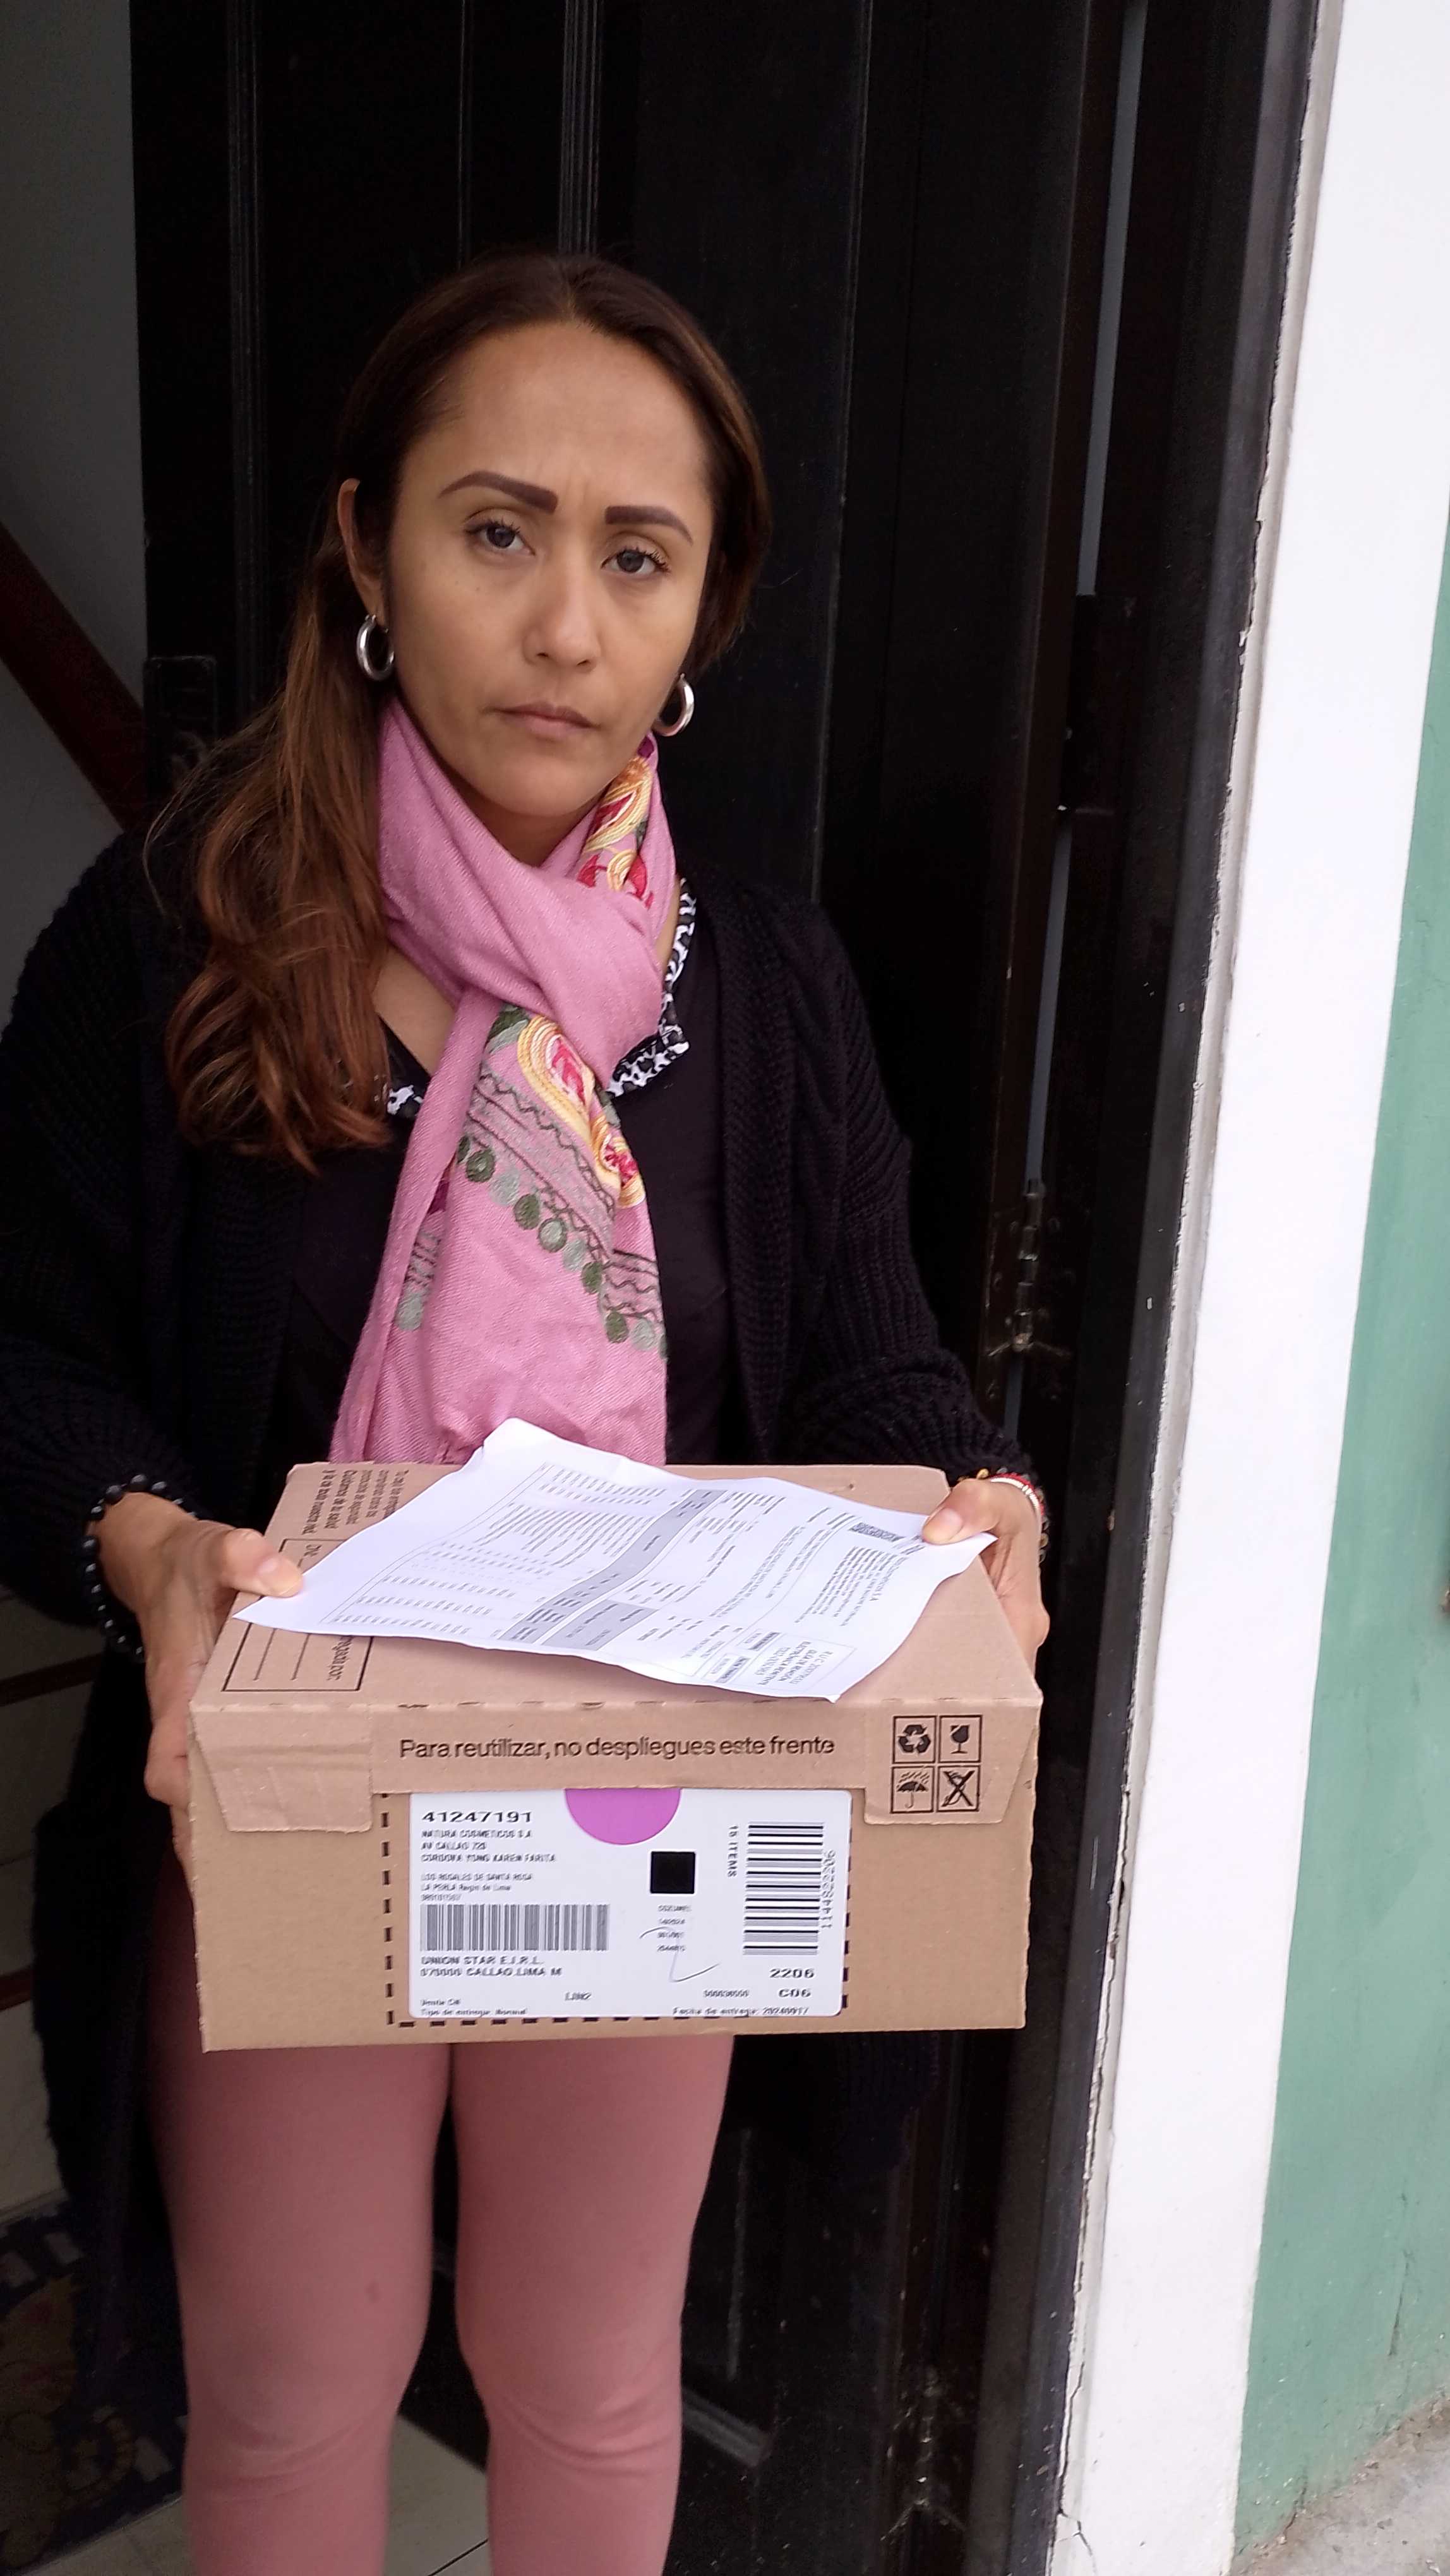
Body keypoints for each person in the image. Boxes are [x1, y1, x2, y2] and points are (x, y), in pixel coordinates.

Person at [0, 252, 1048, 2576]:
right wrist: (148, 1541)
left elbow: (872, 1362)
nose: (566, 625)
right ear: (368, 551)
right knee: (296, 2384)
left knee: (586, 2375)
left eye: (637, 558)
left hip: (633, 1795)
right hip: (290, 1790)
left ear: (703, 615)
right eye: (499, 531)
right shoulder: (175, 944)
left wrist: (977, 1499)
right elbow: (20, 1361)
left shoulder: (762, 985)